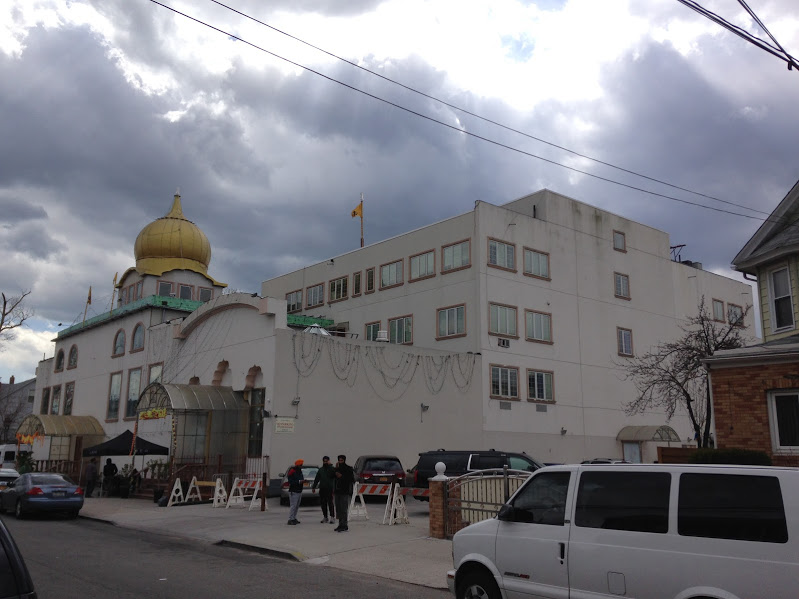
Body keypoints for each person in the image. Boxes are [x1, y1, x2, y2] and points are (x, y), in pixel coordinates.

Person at [333, 454, 355, 532]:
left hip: (344, 491)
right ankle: (340, 524)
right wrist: (335, 469)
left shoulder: (348, 469)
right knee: (338, 509)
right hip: (337, 491)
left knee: (343, 509)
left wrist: (342, 476)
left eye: (341, 460)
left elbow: (351, 479)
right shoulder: (337, 469)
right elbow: (331, 476)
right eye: (339, 460)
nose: (340, 461)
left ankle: (344, 525)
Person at [311, 456, 336, 523]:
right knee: (323, 503)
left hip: (329, 488)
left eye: (326, 461)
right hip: (322, 488)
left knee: (330, 503)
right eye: (324, 461)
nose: (325, 462)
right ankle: (325, 517)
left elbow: (335, 474)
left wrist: (330, 465)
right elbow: (317, 479)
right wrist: (314, 487)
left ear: (328, 461)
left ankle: (332, 517)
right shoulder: (321, 470)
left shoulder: (332, 469)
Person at [286, 459, 305, 525]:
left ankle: (294, 518)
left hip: (299, 490)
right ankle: (291, 519)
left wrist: (303, 481)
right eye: (301, 465)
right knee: (293, 505)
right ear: (298, 465)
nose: (301, 466)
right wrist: (299, 481)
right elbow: (290, 481)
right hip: (293, 491)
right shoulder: (292, 471)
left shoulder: (299, 471)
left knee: (296, 506)